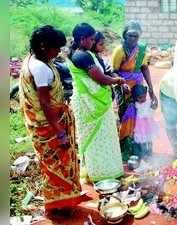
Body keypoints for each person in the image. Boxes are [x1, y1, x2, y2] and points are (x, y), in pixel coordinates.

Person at [19, 25, 84, 215]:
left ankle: (63, 202)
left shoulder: (32, 59)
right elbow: (45, 104)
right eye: (56, 48)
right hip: (48, 127)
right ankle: (60, 207)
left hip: (43, 124)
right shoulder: (39, 68)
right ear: (43, 46)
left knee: (52, 166)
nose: (58, 52)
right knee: (57, 167)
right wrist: (60, 131)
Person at [68, 23, 125, 182]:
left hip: (93, 101)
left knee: (103, 137)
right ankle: (101, 173)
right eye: (91, 39)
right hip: (91, 104)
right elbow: (100, 78)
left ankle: (106, 170)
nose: (93, 42)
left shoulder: (82, 53)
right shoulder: (82, 56)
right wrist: (117, 80)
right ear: (82, 39)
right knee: (97, 138)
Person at [111, 20, 158, 161]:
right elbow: (113, 71)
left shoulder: (141, 49)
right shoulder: (119, 50)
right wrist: (121, 82)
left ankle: (141, 149)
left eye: (136, 36)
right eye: (130, 35)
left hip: (138, 87)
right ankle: (127, 150)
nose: (133, 39)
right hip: (123, 86)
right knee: (126, 116)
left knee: (141, 115)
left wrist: (150, 88)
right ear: (124, 35)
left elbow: (144, 68)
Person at [132, 84, 159, 160]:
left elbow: (155, 106)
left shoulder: (148, 102)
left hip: (149, 124)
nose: (143, 99)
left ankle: (150, 153)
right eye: (140, 98)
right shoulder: (135, 104)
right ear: (136, 98)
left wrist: (152, 95)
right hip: (141, 127)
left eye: (144, 96)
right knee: (143, 141)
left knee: (150, 139)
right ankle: (144, 155)